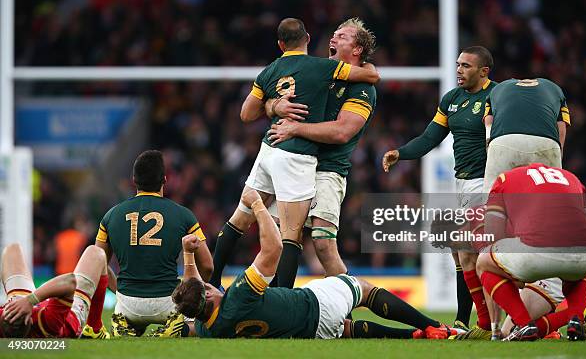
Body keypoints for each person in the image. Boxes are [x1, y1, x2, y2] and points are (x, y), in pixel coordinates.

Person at [210, 18, 379, 289]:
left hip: (327, 168)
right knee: (277, 233)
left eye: (342, 36)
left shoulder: (361, 88)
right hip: (295, 157)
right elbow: (260, 108)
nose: (333, 39)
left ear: (357, 49)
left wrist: (296, 129)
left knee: (322, 244)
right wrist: (274, 106)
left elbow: (341, 132)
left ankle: (344, 304)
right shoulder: (320, 70)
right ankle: (267, 296)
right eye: (333, 34)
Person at [171, 190, 461, 339]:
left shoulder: (207, 328)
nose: (211, 284)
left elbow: (193, 293)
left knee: (345, 329)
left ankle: (413, 335)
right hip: (315, 303)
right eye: (208, 286)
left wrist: (187, 256)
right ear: (208, 294)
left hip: (308, 331)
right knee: (361, 289)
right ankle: (434, 326)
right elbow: (272, 248)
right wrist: (258, 205)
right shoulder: (239, 295)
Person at [382, 46, 496, 333]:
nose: (459, 70)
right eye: (458, 64)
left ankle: (486, 321)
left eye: (466, 66)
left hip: (488, 181)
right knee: (460, 251)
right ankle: (467, 319)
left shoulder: (498, 96)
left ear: (484, 72)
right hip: (463, 182)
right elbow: (430, 137)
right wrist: (401, 153)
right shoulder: (452, 100)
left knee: (468, 248)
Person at [94, 149, 213, 337]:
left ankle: (123, 323)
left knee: (124, 314)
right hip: (170, 303)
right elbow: (207, 266)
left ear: (134, 180)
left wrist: (119, 291)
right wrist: (190, 295)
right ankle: (178, 327)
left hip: (127, 303)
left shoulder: (111, 215)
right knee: (203, 325)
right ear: (164, 180)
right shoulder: (183, 215)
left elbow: (97, 265)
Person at [476, 164, 586, 341]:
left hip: (535, 255)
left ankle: (524, 325)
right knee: (581, 263)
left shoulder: (505, 178)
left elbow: (494, 238)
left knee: (483, 262)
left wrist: (511, 274)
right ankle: (576, 318)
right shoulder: (571, 178)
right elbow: (585, 224)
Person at [0, 243, 109, 339]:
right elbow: (69, 281)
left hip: (26, 305)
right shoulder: (48, 324)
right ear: (30, 320)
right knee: (96, 253)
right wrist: (29, 301)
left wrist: (24, 301)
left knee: (12, 250)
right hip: (69, 315)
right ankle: (95, 328)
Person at [482, 77, 571, 194]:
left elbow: (489, 121)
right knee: (551, 195)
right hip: (546, 143)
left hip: (504, 142)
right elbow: (561, 126)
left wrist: (490, 147)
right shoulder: (554, 88)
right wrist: (559, 153)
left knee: (492, 195)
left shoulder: (497, 89)